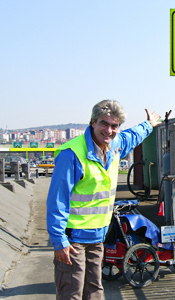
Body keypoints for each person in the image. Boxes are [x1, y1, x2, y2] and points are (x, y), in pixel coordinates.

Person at [46, 100, 161, 300]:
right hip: (73, 240)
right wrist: (59, 241)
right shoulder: (72, 154)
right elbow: (57, 201)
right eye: (104, 124)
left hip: (98, 236)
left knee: (95, 290)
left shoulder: (114, 146)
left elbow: (132, 136)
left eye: (114, 126)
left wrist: (148, 124)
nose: (109, 130)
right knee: (71, 292)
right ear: (92, 122)